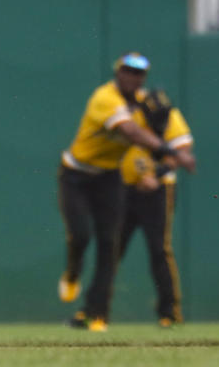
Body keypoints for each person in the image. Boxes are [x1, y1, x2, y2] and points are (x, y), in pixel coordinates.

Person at [57, 53, 193, 332]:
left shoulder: (152, 106)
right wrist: (164, 150)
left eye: (137, 73)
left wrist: (160, 170)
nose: (131, 77)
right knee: (85, 236)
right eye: (127, 71)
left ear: (143, 78)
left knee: (125, 246)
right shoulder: (105, 98)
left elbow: (181, 147)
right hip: (83, 175)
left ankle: (102, 315)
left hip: (122, 182)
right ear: (118, 73)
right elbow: (131, 131)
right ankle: (76, 283)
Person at [118, 89, 196, 328]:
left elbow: (182, 153)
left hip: (159, 191)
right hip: (125, 188)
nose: (161, 121)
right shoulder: (131, 112)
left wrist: (157, 175)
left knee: (159, 250)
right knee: (111, 249)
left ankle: (169, 313)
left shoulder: (172, 118)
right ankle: (95, 311)